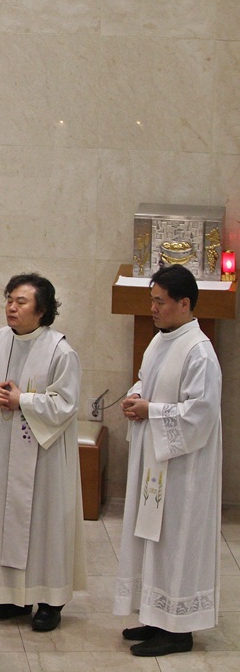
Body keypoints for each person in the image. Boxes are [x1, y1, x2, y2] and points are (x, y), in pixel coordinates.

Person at [113, 264, 222, 657]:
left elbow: (200, 414)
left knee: (176, 540)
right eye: (152, 300)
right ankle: (156, 615)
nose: (153, 308)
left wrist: (151, 411)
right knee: (152, 539)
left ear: (185, 303)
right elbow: (149, 379)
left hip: (183, 471)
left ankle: (178, 632)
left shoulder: (199, 352)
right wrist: (135, 396)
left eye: (160, 301)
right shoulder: (161, 340)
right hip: (156, 463)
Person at [0, 273, 86, 632]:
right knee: (5, 517)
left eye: (20, 301)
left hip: (45, 455)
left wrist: (22, 400)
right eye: (9, 299)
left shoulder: (60, 351)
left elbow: (66, 404)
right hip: (6, 448)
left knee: (45, 522)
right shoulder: (1, 339)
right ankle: (11, 596)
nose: (11, 307)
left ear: (42, 310)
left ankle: (50, 600)